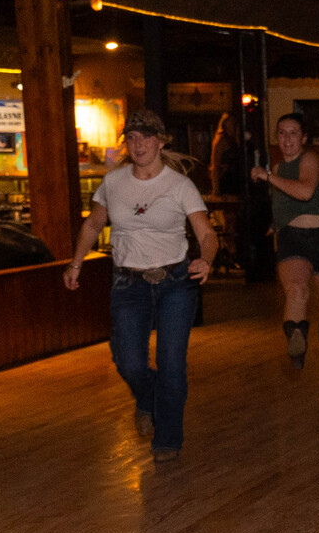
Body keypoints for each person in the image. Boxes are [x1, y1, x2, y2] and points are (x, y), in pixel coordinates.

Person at [67, 108, 217, 458]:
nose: (138, 144)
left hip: (175, 282)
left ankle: (167, 440)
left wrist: (206, 259)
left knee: (171, 363)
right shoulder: (113, 182)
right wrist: (76, 264)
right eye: (132, 138)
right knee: (129, 361)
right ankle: (147, 397)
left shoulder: (179, 186)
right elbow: (93, 225)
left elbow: (206, 234)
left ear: (161, 142)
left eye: (146, 137)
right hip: (128, 283)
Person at [258, 113, 319, 367]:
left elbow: (306, 192)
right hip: (292, 238)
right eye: (282, 133)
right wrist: (275, 225)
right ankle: (297, 341)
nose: (287, 139)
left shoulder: (310, 159)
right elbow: (284, 204)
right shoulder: (278, 169)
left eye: (293, 133)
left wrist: (267, 176)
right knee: (296, 290)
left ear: (304, 138)